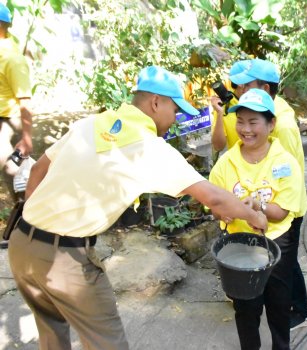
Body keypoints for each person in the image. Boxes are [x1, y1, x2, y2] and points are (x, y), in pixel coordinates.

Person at [8, 66, 268, 350]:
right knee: (108, 343)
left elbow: (37, 173)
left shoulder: (91, 124)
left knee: (52, 335)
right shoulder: (146, 147)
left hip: (21, 245)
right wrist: (254, 216)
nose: (175, 119)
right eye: (175, 110)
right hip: (65, 260)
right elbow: (214, 198)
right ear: (156, 103)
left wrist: (38, 224)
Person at [209, 88, 304, 350]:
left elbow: (282, 212)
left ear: (271, 124)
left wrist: (257, 206)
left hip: (276, 244)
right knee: (246, 310)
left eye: (253, 122)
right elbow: (214, 204)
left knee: (279, 305)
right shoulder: (226, 163)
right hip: (238, 247)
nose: (245, 129)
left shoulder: (285, 163)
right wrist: (223, 211)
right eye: (240, 121)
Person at [221, 58, 307, 328]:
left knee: (285, 265)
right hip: (257, 205)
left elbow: (291, 167)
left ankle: (299, 309)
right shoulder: (251, 114)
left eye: (248, 85)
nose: (240, 90)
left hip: (285, 204)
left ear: (267, 88)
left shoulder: (282, 124)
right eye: (240, 85)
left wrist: (266, 203)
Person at [0, 4, 34, 249]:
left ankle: (25, 229)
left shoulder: (13, 58)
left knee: (15, 176)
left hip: (9, 123)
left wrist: (27, 137)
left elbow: (25, 99)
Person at [210, 59, 249, 152]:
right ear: (241, 84)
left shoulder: (261, 100)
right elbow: (218, 146)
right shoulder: (225, 107)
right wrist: (219, 114)